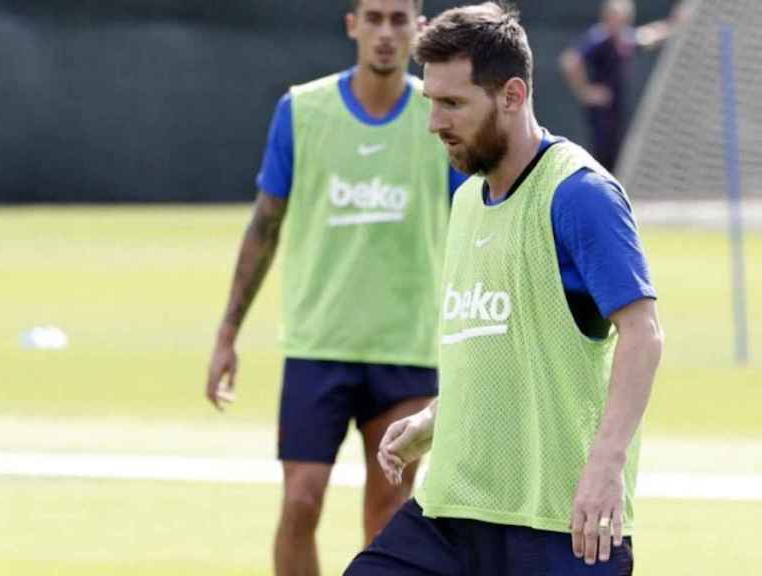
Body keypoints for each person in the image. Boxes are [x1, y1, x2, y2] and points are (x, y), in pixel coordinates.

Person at [345, 3, 663, 574]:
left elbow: (643, 334)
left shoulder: (580, 194)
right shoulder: (467, 198)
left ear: (512, 96)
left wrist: (606, 465)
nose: (434, 122)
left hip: (556, 525)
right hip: (451, 512)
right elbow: (497, 343)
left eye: (453, 103)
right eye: (431, 102)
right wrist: (434, 421)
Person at [204, 1, 465, 574]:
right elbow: (264, 225)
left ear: (418, 28)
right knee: (300, 500)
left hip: (407, 348)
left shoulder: (441, 116)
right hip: (318, 345)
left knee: (390, 516)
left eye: (400, 19)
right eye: (374, 18)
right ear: (353, 25)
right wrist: (228, 333)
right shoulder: (300, 110)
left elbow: (478, 224)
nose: (386, 33)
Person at [559, 0, 687, 172]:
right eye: (617, 17)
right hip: (602, 113)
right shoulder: (598, 38)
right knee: (603, 157)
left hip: (618, 109)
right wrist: (585, 91)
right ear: (607, 17)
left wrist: (674, 25)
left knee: (619, 157)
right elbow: (570, 61)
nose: (621, 22)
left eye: (625, 18)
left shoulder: (624, 38)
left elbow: (649, 36)